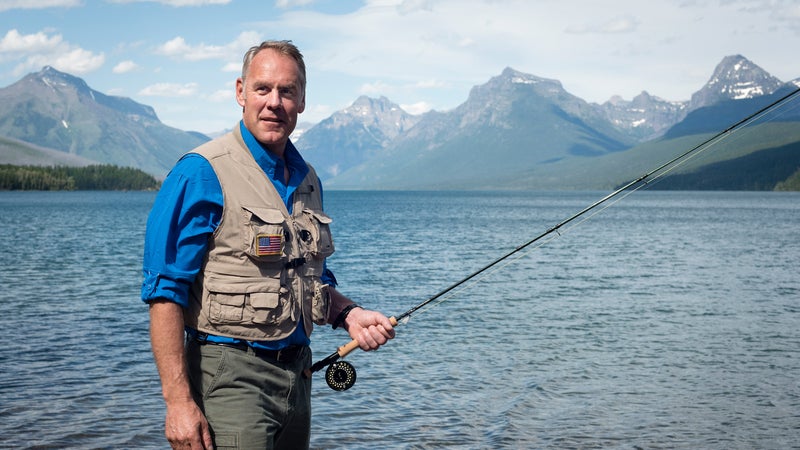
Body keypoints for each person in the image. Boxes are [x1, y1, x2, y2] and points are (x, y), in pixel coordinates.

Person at [141, 40, 395, 449]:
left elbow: (308, 279)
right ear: (241, 92)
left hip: (299, 377)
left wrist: (349, 314)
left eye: (287, 91)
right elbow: (164, 293)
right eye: (263, 89)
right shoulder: (201, 173)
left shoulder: (308, 178)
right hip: (229, 378)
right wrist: (178, 403)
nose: (274, 102)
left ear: (303, 100)